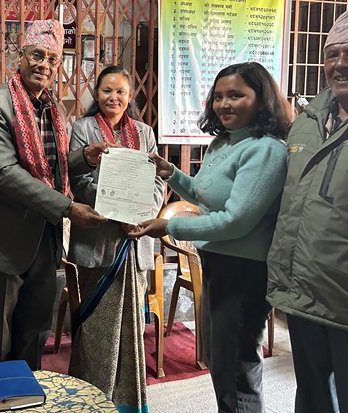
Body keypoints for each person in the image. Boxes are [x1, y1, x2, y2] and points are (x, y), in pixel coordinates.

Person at [130, 62, 293, 413]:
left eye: (236, 95)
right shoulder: (223, 142)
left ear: (262, 98)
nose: (224, 104)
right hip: (219, 264)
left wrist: (169, 227)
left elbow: (235, 221)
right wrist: (171, 173)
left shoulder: (266, 150)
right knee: (222, 363)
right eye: (218, 96)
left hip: (245, 272)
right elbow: (205, 196)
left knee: (236, 370)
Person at [0, 20, 106, 370]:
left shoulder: (51, 107)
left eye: (52, 59)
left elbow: (46, 166)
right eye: (37, 55)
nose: (44, 65)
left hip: (43, 238)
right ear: (20, 56)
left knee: (35, 329)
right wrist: (68, 208)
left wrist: (83, 157)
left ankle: (26, 394)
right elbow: (4, 172)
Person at [267, 3, 348, 412]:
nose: (340, 64)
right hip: (303, 299)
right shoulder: (307, 120)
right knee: (311, 401)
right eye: (332, 54)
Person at [67, 65, 165, 412]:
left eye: (120, 91)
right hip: (98, 243)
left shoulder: (145, 132)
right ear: (97, 94)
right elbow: (79, 181)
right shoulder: (83, 129)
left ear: (130, 95)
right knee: (97, 329)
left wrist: (140, 214)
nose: (114, 97)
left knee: (131, 330)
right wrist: (121, 213)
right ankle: (91, 401)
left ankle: (127, 403)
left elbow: (157, 181)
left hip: (134, 243)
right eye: (107, 90)